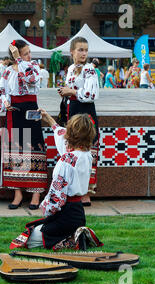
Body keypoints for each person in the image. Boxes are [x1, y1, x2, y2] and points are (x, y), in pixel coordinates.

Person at [10, 112, 96, 249]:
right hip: (78, 213)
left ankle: (72, 239)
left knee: (28, 238)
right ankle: (76, 234)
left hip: (65, 214)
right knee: (38, 226)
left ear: (71, 134)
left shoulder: (67, 160)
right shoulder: (87, 155)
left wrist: (46, 209)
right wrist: (49, 119)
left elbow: (57, 196)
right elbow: (62, 137)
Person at [0, 39, 47, 210]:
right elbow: (1, 91)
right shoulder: (7, 71)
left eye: (28, 53)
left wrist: (20, 60)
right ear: (15, 54)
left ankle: (36, 193)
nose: (29, 56)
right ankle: (17, 193)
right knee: (16, 151)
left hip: (31, 111)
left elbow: (31, 81)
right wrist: (5, 103)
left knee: (35, 149)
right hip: (15, 112)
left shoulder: (32, 67)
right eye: (25, 53)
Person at [58, 36, 99, 206]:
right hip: (72, 111)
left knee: (87, 151)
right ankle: (73, 189)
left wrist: (71, 92)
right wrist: (65, 92)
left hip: (85, 112)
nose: (84, 53)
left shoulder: (89, 69)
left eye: (86, 50)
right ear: (72, 52)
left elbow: (91, 94)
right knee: (74, 150)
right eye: (80, 50)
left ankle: (86, 192)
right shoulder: (71, 69)